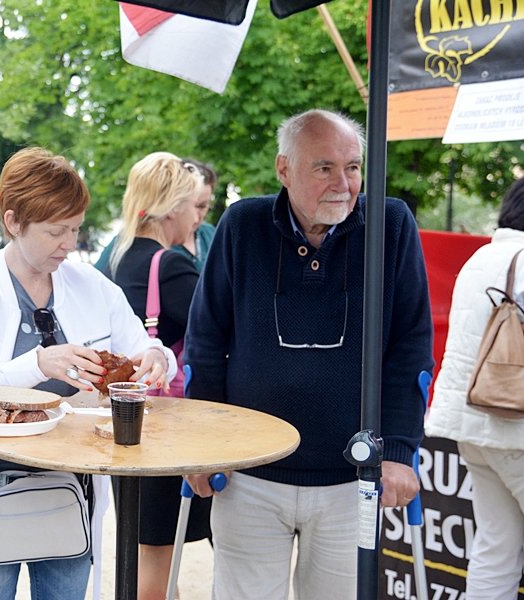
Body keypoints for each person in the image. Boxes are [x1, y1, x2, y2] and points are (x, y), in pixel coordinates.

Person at [184, 109, 434, 600]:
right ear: (284, 170)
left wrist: (401, 451)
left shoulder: (391, 225)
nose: (343, 183)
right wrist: (205, 445)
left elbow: (411, 346)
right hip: (248, 473)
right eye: (324, 168)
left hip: (352, 477)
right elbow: (206, 342)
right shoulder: (242, 225)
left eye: (353, 167)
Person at [0, 146, 176, 600]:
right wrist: (37, 364)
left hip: (73, 489)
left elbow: (144, 345)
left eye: (76, 229)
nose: (71, 244)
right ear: (13, 221)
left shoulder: (92, 285)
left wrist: (157, 358)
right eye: (55, 232)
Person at [105, 152, 208, 600]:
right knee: (158, 556)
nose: (197, 218)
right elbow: (215, 334)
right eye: (193, 206)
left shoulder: (117, 259)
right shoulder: (172, 266)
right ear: (172, 209)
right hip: (166, 426)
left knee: (145, 549)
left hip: (125, 420)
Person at [425, 177, 524, 600]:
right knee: (495, 546)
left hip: (473, 425)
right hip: (515, 427)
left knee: (494, 548)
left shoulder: (482, 257)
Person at [95, 158, 217, 273]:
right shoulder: (127, 243)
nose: (196, 215)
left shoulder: (211, 235)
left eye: (203, 206)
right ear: (173, 204)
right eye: (194, 205)